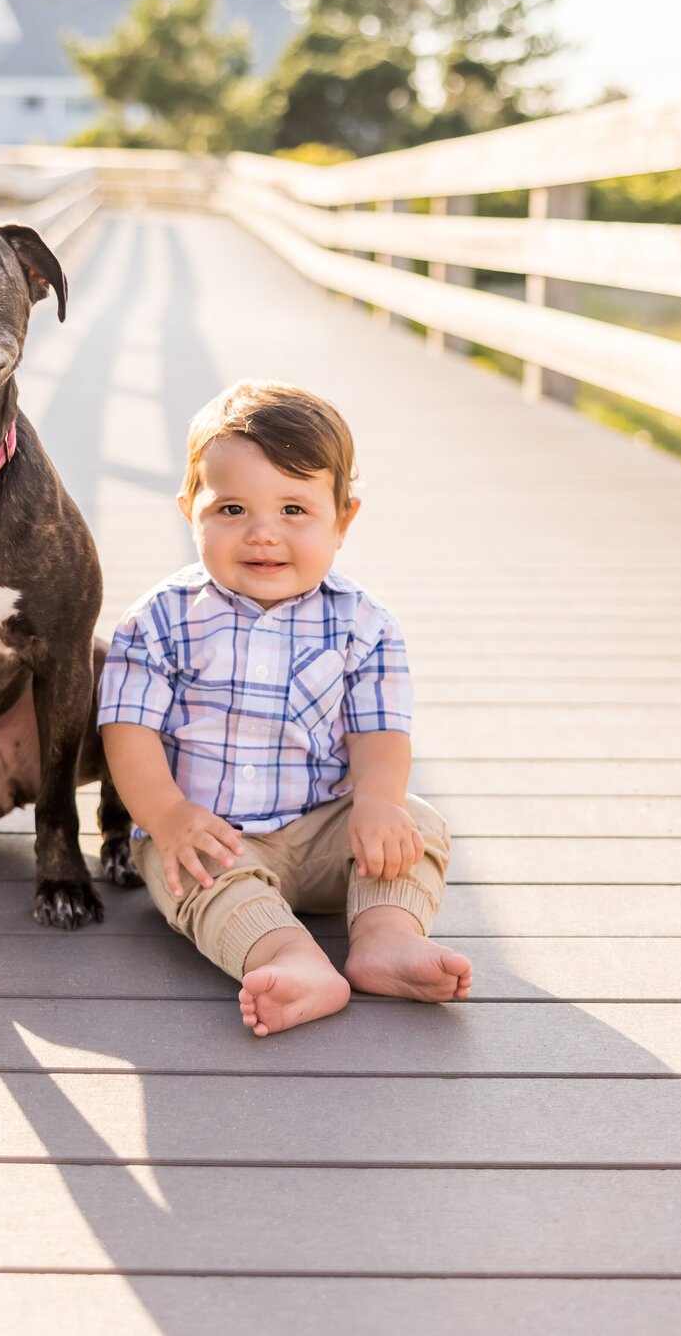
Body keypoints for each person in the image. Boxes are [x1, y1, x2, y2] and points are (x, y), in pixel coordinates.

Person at [99, 378, 472, 1037]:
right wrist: (168, 814)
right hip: (212, 835)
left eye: (294, 510)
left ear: (343, 518)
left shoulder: (364, 623)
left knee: (417, 823)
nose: (263, 534)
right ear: (191, 510)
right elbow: (128, 731)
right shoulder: (159, 621)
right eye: (233, 509)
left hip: (328, 828)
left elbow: (380, 729)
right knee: (199, 875)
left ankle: (386, 932)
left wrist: (379, 801)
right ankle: (285, 953)